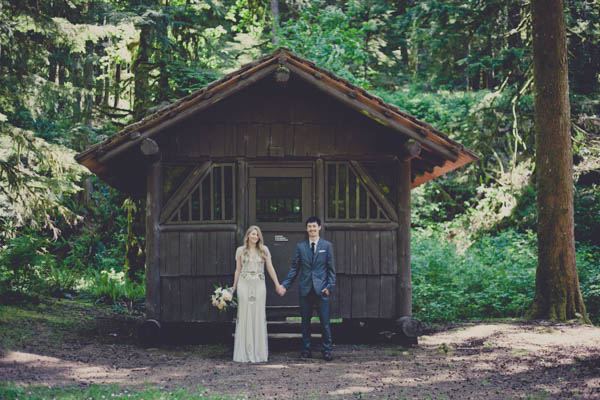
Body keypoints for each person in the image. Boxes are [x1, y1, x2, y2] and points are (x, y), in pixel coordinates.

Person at [279, 216, 336, 361]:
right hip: (305, 290)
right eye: (309, 226)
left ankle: (327, 351)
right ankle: (306, 349)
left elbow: (331, 270)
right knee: (305, 322)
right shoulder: (300, 246)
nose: (312, 229)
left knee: (325, 322)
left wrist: (329, 287)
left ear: (319, 228)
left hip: (322, 290)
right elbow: (295, 268)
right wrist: (285, 285)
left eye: (314, 226)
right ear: (306, 229)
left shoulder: (327, 246)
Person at [231, 225, 281, 363]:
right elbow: (237, 270)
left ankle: (258, 353)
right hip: (244, 282)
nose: (255, 237)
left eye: (257, 235)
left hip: (259, 283)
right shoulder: (240, 250)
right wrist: (233, 288)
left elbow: (270, 267)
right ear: (248, 235)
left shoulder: (264, 250)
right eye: (253, 234)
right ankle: (244, 353)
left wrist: (277, 284)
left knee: (258, 315)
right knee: (244, 315)